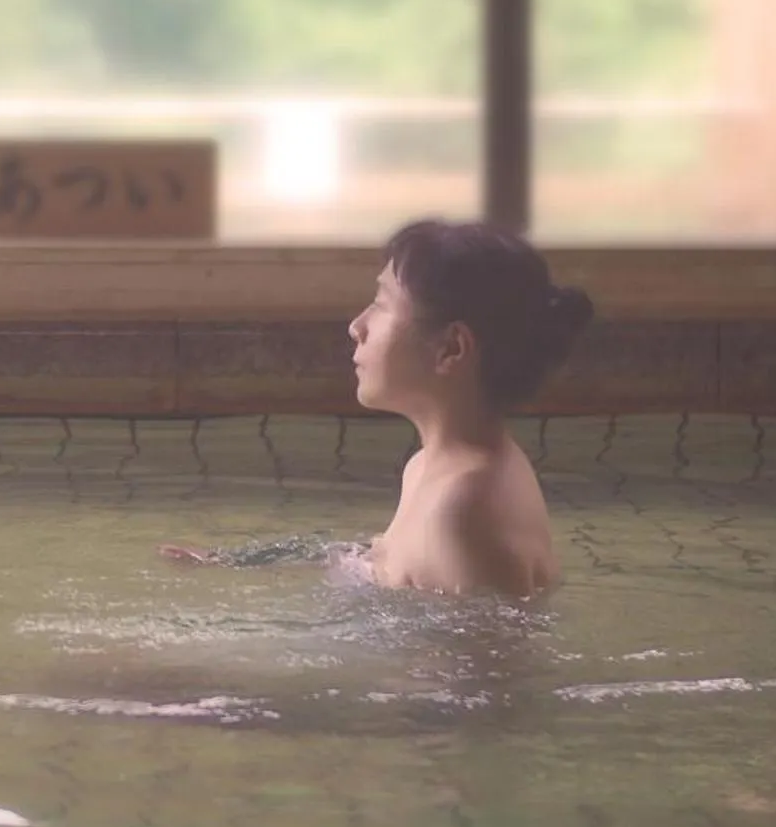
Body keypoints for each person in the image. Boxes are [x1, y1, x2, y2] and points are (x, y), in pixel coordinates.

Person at [164, 219, 594, 598]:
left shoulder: (465, 507)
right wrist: (236, 561)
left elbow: (495, 663)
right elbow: (374, 561)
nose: (357, 326)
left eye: (382, 305)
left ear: (450, 348)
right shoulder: (430, 469)